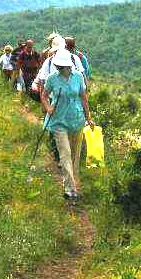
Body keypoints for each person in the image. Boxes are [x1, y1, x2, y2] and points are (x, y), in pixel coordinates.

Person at [40, 49, 94, 199]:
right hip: (58, 121)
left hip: (76, 120)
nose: (61, 68)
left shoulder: (78, 77)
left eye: (63, 66)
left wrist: (88, 118)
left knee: (75, 155)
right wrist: (48, 108)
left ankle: (73, 181)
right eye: (59, 66)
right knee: (65, 154)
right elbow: (44, 96)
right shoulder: (52, 78)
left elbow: (83, 98)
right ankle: (70, 188)